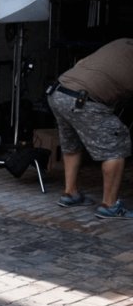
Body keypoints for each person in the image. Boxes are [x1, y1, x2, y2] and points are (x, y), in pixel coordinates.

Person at [46, 38, 133, 219]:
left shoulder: (121, 43)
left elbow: (81, 63)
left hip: (58, 92)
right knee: (115, 146)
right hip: (83, 101)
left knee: (71, 144)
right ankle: (110, 206)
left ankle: (70, 194)